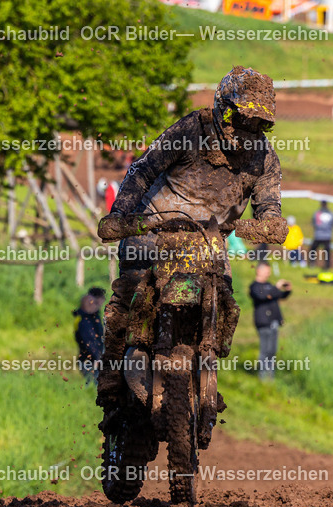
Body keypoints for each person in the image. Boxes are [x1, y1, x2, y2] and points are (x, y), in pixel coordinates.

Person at [96, 66, 287, 427]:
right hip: (152, 229)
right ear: (223, 108)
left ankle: (207, 365)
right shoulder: (190, 130)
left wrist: (271, 225)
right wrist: (120, 213)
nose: (247, 130)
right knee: (130, 292)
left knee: (227, 301)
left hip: (209, 241)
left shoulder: (264, 158)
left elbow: (269, 205)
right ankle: (111, 372)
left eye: (258, 123)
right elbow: (144, 170)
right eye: (242, 118)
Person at [249, 262, 291, 381]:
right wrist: (276, 287)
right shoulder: (255, 287)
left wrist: (287, 290)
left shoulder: (269, 285)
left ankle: (270, 378)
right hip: (263, 322)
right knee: (265, 350)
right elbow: (262, 297)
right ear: (259, 271)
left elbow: (280, 295)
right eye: (267, 270)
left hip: (274, 323)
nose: (269, 273)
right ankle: (262, 378)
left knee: (272, 351)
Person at [73, 287, 105, 385]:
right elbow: (89, 341)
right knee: (94, 387)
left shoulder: (92, 318)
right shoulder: (84, 321)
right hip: (89, 360)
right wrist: (98, 358)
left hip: (90, 359)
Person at [310, 200, 333, 270]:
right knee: (327, 252)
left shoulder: (317, 213)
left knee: (313, 249)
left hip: (318, 235)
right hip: (327, 236)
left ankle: (312, 263)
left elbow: (314, 223)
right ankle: (327, 266)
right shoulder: (331, 214)